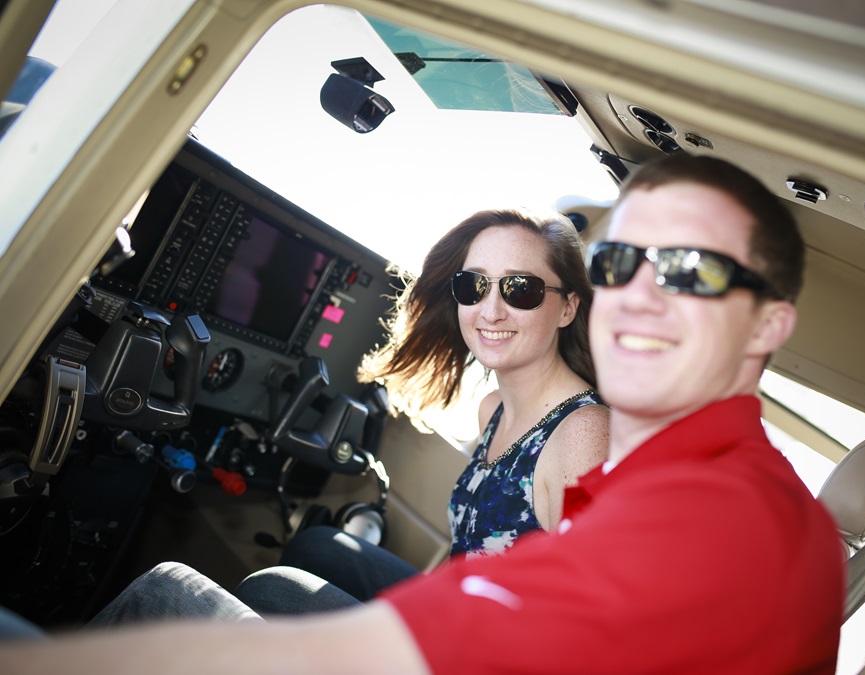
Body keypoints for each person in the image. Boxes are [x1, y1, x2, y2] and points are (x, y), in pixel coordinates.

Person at [1, 154, 845, 674]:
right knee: (279, 575)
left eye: (690, 272)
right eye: (623, 261)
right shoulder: (520, 415)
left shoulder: (617, 458)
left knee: (166, 594)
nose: (635, 297)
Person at [236, 207, 610, 612]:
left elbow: (580, 614)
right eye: (475, 286)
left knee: (270, 590)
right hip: (459, 604)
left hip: (489, 649)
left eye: (520, 289)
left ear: (568, 308)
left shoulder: (583, 434)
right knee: (317, 547)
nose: (490, 311)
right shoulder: (494, 408)